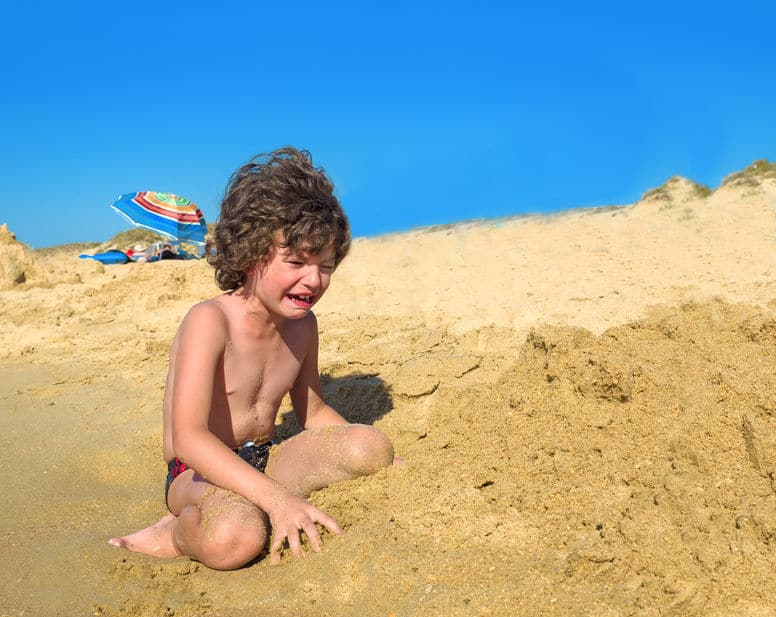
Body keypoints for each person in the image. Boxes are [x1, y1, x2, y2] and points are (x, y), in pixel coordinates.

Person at [109, 147, 395, 569]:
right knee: (236, 538)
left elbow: (313, 413)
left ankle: (257, 499)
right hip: (197, 473)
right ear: (248, 253)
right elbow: (187, 438)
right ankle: (173, 531)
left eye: (327, 265)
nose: (313, 279)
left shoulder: (303, 326)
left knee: (371, 447)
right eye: (296, 261)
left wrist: (391, 463)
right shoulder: (209, 321)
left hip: (263, 458)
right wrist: (278, 500)